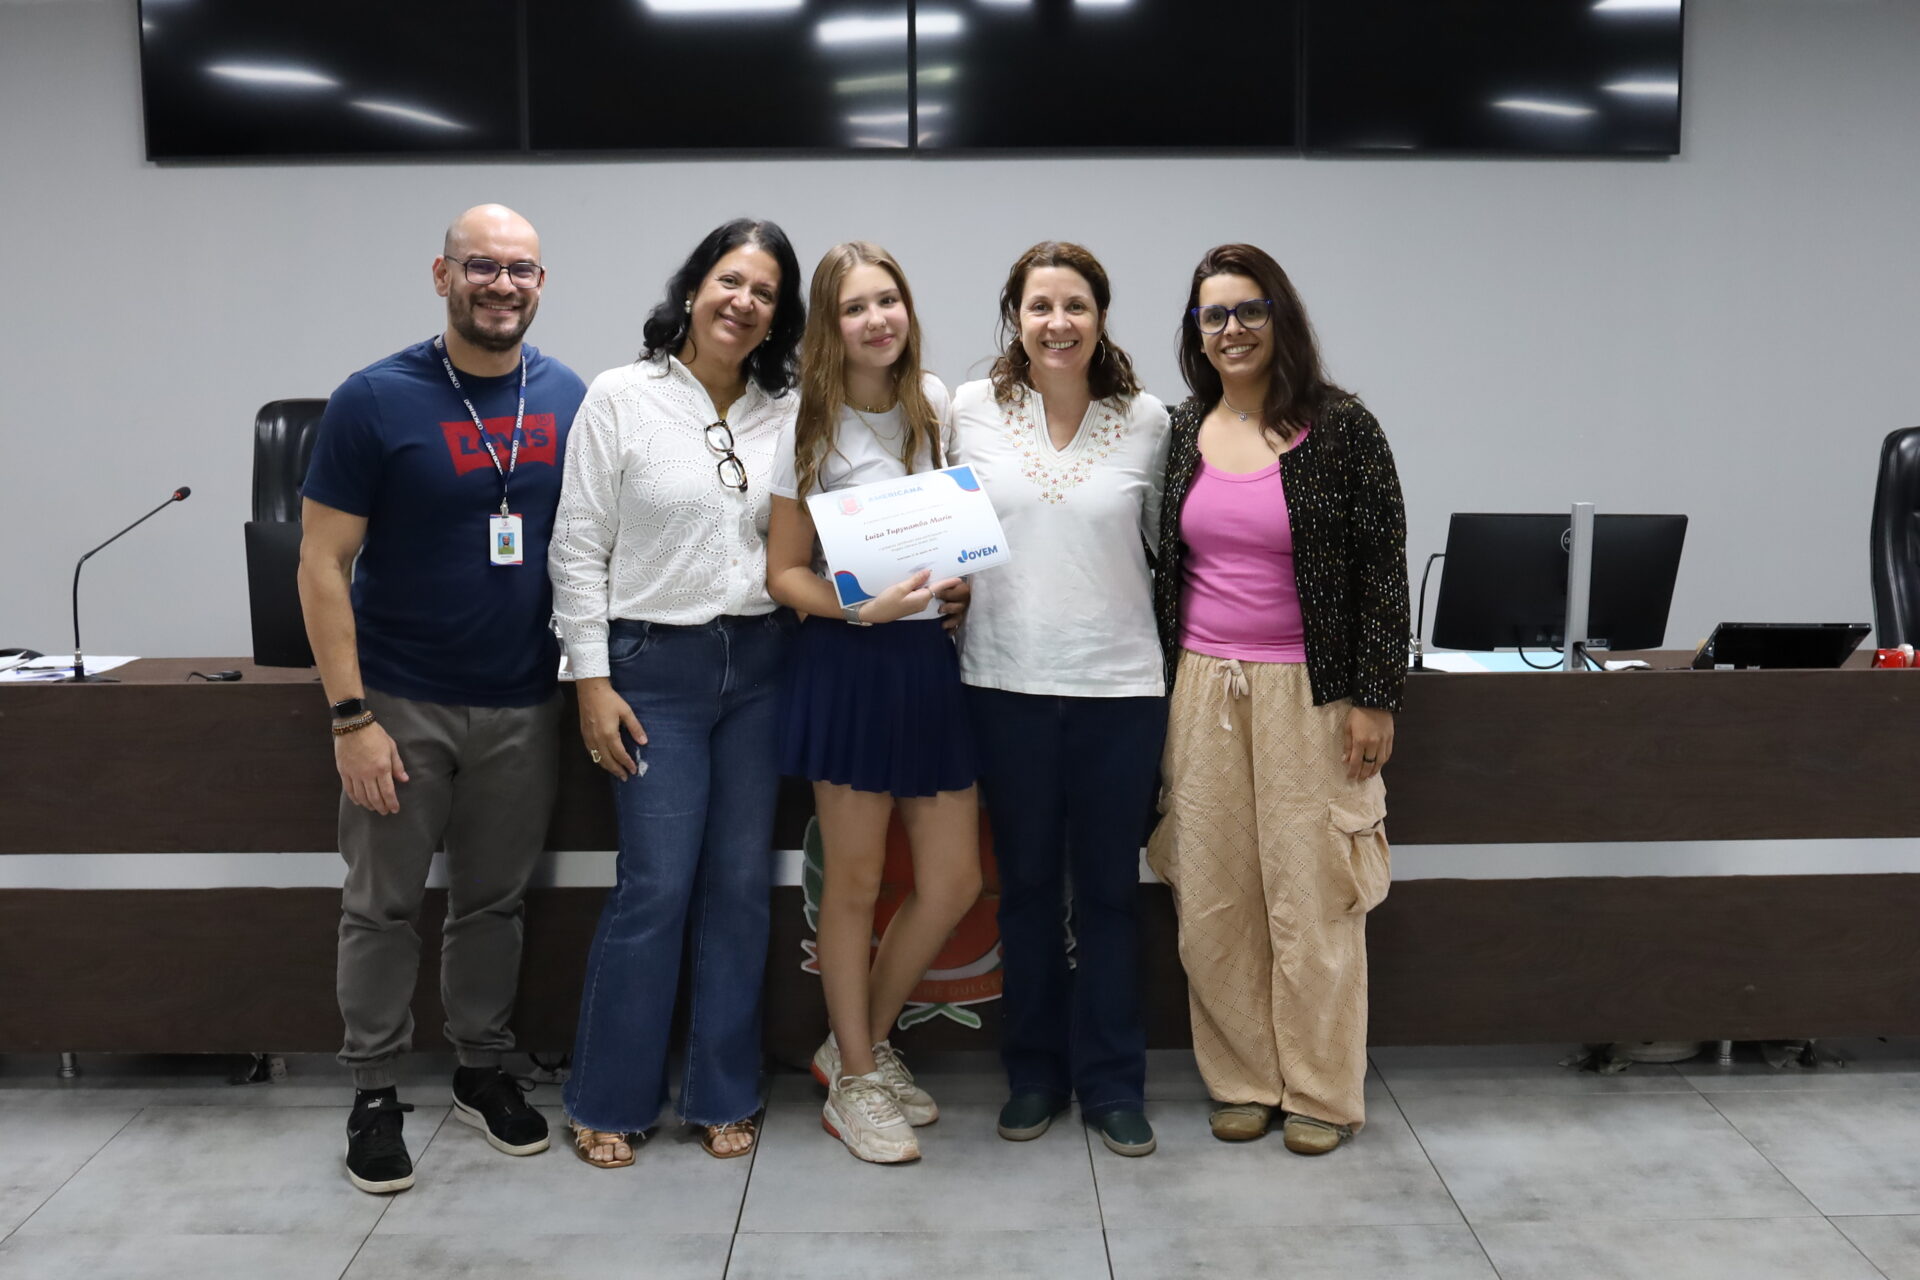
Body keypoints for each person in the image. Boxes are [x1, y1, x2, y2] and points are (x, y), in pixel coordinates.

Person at [298, 204, 586, 1194]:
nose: (502, 285)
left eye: (521, 269)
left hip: (524, 701)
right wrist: (350, 717)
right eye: (481, 266)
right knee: (381, 907)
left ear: (540, 283)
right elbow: (321, 564)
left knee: (492, 904)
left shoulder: (570, 396)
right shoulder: (374, 398)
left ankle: (481, 1067)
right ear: (442, 275)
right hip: (400, 700)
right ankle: (375, 1092)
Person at [547, 218, 805, 1168]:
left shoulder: (791, 411)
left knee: (739, 888)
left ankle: (722, 1092)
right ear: (694, 288)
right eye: (731, 281)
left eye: (765, 292)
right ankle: (608, 1097)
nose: (744, 302)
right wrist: (591, 678)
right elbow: (577, 547)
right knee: (655, 886)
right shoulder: (621, 396)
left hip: (762, 667)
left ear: (780, 316)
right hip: (653, 668)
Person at [1145, 243, 1409, 1155]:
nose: (1232, 329)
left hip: (1313, 693)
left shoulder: (1342, 428)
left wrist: (1376, 696)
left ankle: (1322, 1092)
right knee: (1214, 896)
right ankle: (1244, 1082)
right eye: (1213, 314)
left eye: (1249, 310)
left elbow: (1383, 570)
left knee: (1315, 895)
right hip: (1201, 689)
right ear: (1196, 331)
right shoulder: (1183, 428)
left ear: (1280, 316)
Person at [949, 241, 1170, 1158]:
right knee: (1029, 892)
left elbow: (1165, 553)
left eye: (1075, 305)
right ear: (1016, 317)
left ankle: (1114, 1083)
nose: (1058, 323)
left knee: (1111, 895)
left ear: (1101, 316)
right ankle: (1035, 1073)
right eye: (1040, 306)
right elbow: (944, 535)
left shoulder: (1147, 420)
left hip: (1120, 689)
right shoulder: (971, 409)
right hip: (1005, 683)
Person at [765, 241, 983, 1165]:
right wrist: (856, 608)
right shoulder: (805, 421)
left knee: (954, 880)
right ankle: (857, 1079)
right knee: (853, 885)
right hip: (848, 664)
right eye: (855, 307)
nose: (876, 319)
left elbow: (952, 534)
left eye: (887, 300)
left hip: (928, 664)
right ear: (830, 324)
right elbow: (782, 573)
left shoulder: (933, 403)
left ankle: (857, 1047)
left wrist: (958, 586)